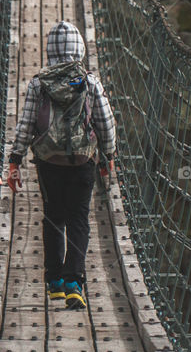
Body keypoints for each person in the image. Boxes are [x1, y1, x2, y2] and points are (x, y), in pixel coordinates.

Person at [7, 21, 116, 310]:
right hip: (82, 161)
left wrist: (14, 160)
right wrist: (108, 155)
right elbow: (104, 123)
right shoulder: (89, 82)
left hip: (48, 161)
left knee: (53, 217)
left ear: (49, 50)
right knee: (79, 218)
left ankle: (54, 281)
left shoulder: (38, 83)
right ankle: (74, 282)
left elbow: (26, 124)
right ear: (79, 48)